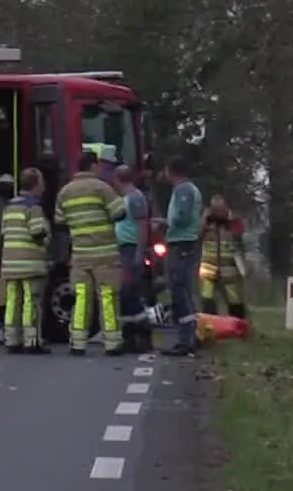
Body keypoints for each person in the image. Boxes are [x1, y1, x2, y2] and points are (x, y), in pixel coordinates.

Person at [55, 151, 128, 355]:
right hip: (104, 255)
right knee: (107, 297)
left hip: (79, 256)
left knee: (81, 298)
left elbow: (60, 221)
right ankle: (112, 342)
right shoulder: (102, 188)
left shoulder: (65, 192)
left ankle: (77, 342)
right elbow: (120, 212)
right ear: (93, 166)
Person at [0, 169, 50, 354]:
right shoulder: (33, 207)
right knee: (31, 301)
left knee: (12, 301)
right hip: (30, 263)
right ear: (35, 184)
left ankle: (12, 339)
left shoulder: (9, 206)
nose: (44, 186)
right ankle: (32, 340)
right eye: (42, 182)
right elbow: (37, 232)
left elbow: (4, 232)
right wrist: (47, 238)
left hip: (10, 263)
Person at [159, 158, 204, 356]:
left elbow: (183, 216)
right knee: (183, 289)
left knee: (180, 290)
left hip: (182, 243)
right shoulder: (186, 189)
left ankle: (187, 340)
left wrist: (167, 223)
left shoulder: (183, 190)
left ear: (171, 171)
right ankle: (191, 336)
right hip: (184, 243)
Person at [112, 166, 153, 354]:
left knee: (129, 293)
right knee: (124, 295)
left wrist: (139, 252)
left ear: (119, 179)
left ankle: (143, 333)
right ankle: (130, 336)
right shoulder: (125, 198)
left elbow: (142, 226)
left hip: (131, 249)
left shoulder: (135, 198)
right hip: (122, 249)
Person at [200, 194, 249, 319]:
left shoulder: (234, 222)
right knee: (207, 298)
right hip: (208, 268)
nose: (217, 213)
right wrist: (204, 219)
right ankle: (210, 324)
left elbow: (241, 236)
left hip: (229, 270)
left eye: (220, 209)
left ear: (226, 208)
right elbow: (197, 233)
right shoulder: (207, 221)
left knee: (235, 299)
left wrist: (230, 222)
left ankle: (238, 324)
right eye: (214, 209)